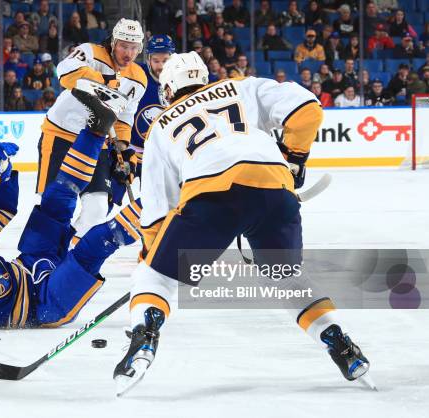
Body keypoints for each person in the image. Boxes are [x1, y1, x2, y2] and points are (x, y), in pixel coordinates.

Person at [113, 51, 371, 395]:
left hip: (211, 196)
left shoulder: (161, 125)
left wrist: (153, 258)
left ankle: (145, 337)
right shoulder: (241, 87)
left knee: (154, 277)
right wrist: (294, 160)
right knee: (287, 279)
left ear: (170, 87)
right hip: (273, 191)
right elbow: (308, 110)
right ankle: (341, 345)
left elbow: (159, 209)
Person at [0, 87, 142, 339]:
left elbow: (1, 209)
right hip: (45, 304)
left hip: (32, 264)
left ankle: (97, 128)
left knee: (57, 196)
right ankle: (155, 208)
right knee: (97, 242)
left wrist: (2, 176)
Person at [37, 18, 147, 245]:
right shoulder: (90, 52)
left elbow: (124, 118)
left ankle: (68, 252)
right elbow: (64, 72)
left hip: (96, 143)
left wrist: (123, 149)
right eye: (124, 45)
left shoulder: (138, 78)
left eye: (134, 47)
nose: (128, 52)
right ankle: (46, 255)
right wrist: (102, 83)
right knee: (52, 207)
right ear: (114, 42)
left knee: (97, 208)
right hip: (60, 134)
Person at [131, 35, 174, 181]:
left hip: (160, 157)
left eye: (165, 61)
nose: (160, 66)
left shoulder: (179, 82)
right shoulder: (135, 74)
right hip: (130, 152)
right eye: (156, 61)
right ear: (148, 59)